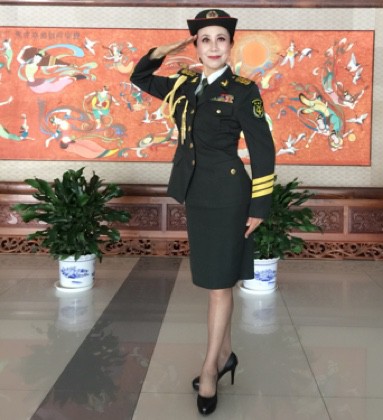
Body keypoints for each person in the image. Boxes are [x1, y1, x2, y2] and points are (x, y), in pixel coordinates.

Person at [130, 9, 275, 416]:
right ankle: (225, 354)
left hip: (229, 197)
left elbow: (263, 149)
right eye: (205, 39)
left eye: (221, 39)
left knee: (218, 286)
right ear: (196, 46)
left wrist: (259, 205)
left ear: (231, 45)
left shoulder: (243, 90)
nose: (213, 46)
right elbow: (139, 77)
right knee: (216, 281)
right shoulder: (184, 84)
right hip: (197, 195)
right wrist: (166, 48)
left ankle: (210, 369)